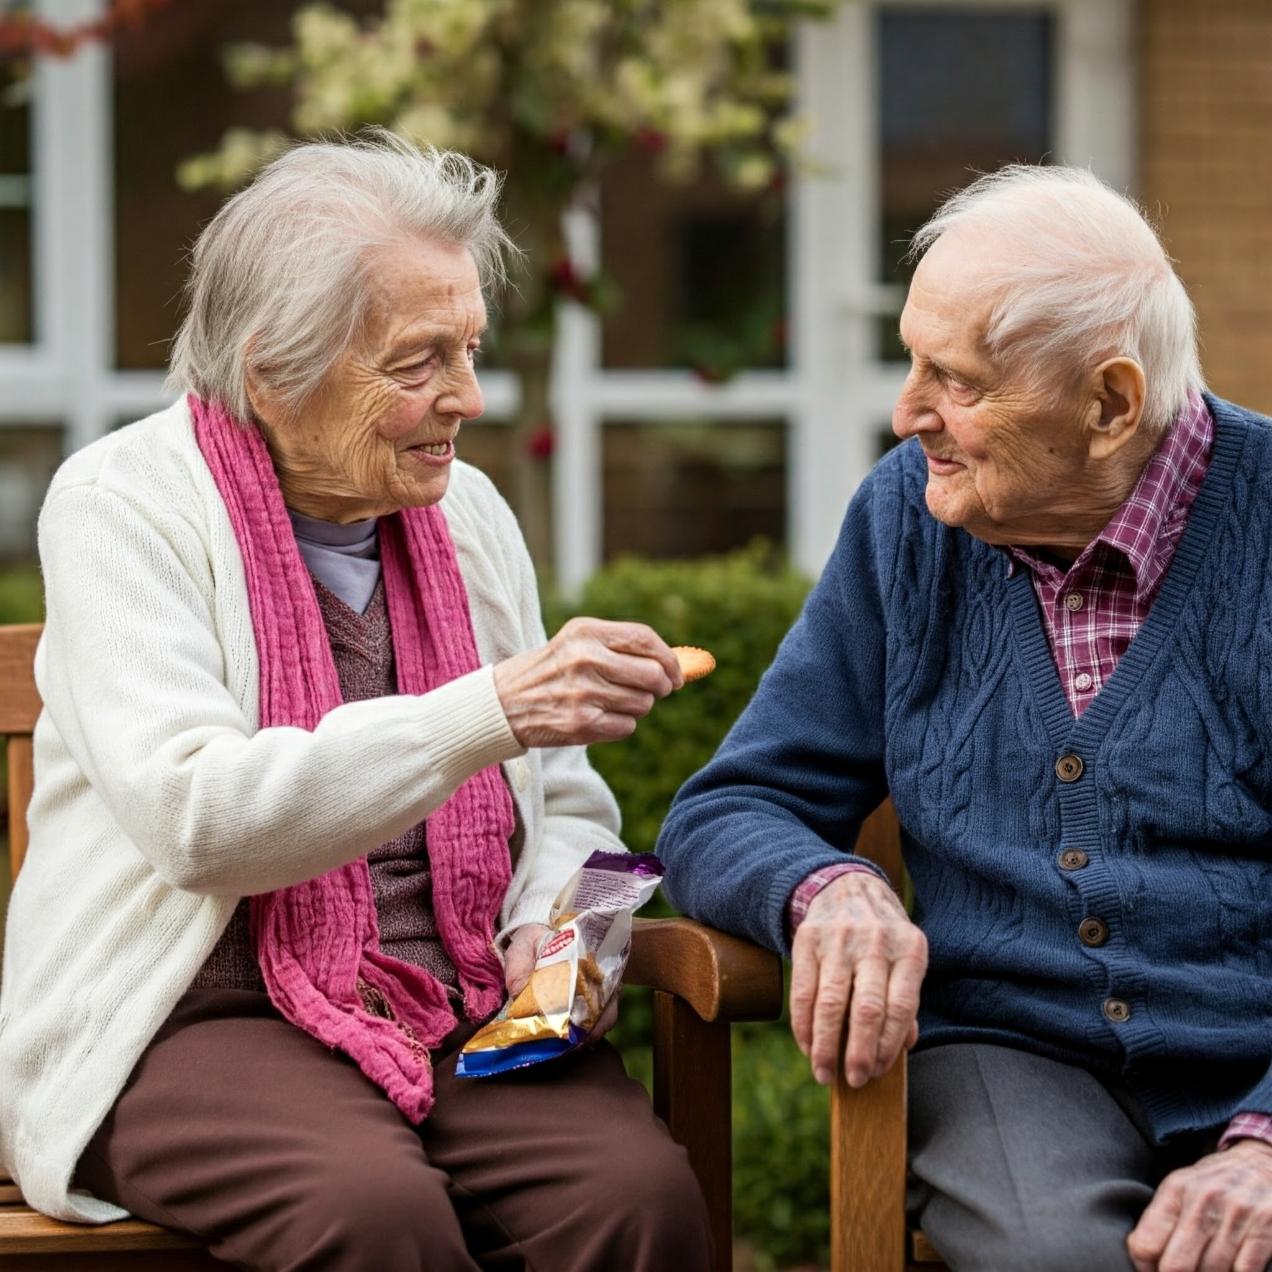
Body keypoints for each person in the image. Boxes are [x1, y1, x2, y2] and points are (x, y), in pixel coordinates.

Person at [0, 132, 711, 1272]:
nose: (466, 398)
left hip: (458, 992)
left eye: (468, 350)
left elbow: (565, 800)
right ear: (273, 370)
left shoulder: (466, 511)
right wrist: (490, 710)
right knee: (375, 1217)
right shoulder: (122, 503)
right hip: (193, 1012)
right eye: (419, 362)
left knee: (638, 1202)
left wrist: (559, 930)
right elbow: (199, 821)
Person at [657, 165, 1272, 1272]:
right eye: (911, 361)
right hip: (1011, 1061)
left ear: (1110, 403)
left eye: (957, 381)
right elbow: (730, 807)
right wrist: (829, 888)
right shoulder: (908, 517)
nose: (908, 415)